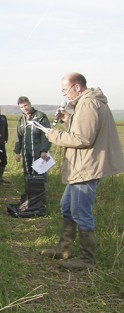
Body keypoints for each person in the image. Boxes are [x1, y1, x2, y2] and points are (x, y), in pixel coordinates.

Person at [42, 73, 124, 270]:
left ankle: (87, 261)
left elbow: (83, 139)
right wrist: (67, 121)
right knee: (67, 206)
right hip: (82, 166)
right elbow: (83, 131)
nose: (64, 95)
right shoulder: (89, 102)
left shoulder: (87, 103)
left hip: (86, 167)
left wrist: (54, 135)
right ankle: (64, 249)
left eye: (65, 90)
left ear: (77, 87)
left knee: (80, 212)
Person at [13, 96, 51, 177]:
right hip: (26, 152)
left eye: (26, 105)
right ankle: (29, 189)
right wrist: (17, 152)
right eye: (22, 107)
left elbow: (46, 134)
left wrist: (44, 150)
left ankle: (41, 189)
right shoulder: (21, 120)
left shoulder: (40, 116)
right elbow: (19, 136)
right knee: (27, 172)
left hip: (38, 151)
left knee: (39, 172)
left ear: (30, 104)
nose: (24, 108)